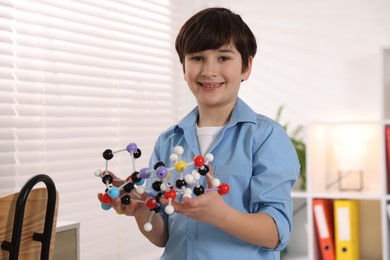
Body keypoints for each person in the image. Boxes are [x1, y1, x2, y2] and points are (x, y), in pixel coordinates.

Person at [98, 7, 300, 260]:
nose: (208, 71)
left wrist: (220, 215)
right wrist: (140, 208)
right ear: (184, 67)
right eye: (197, 58)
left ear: (246, 67)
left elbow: (277, 233)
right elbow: (163, 236)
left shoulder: (266, 136)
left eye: (224, 58)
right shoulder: (168, 140)